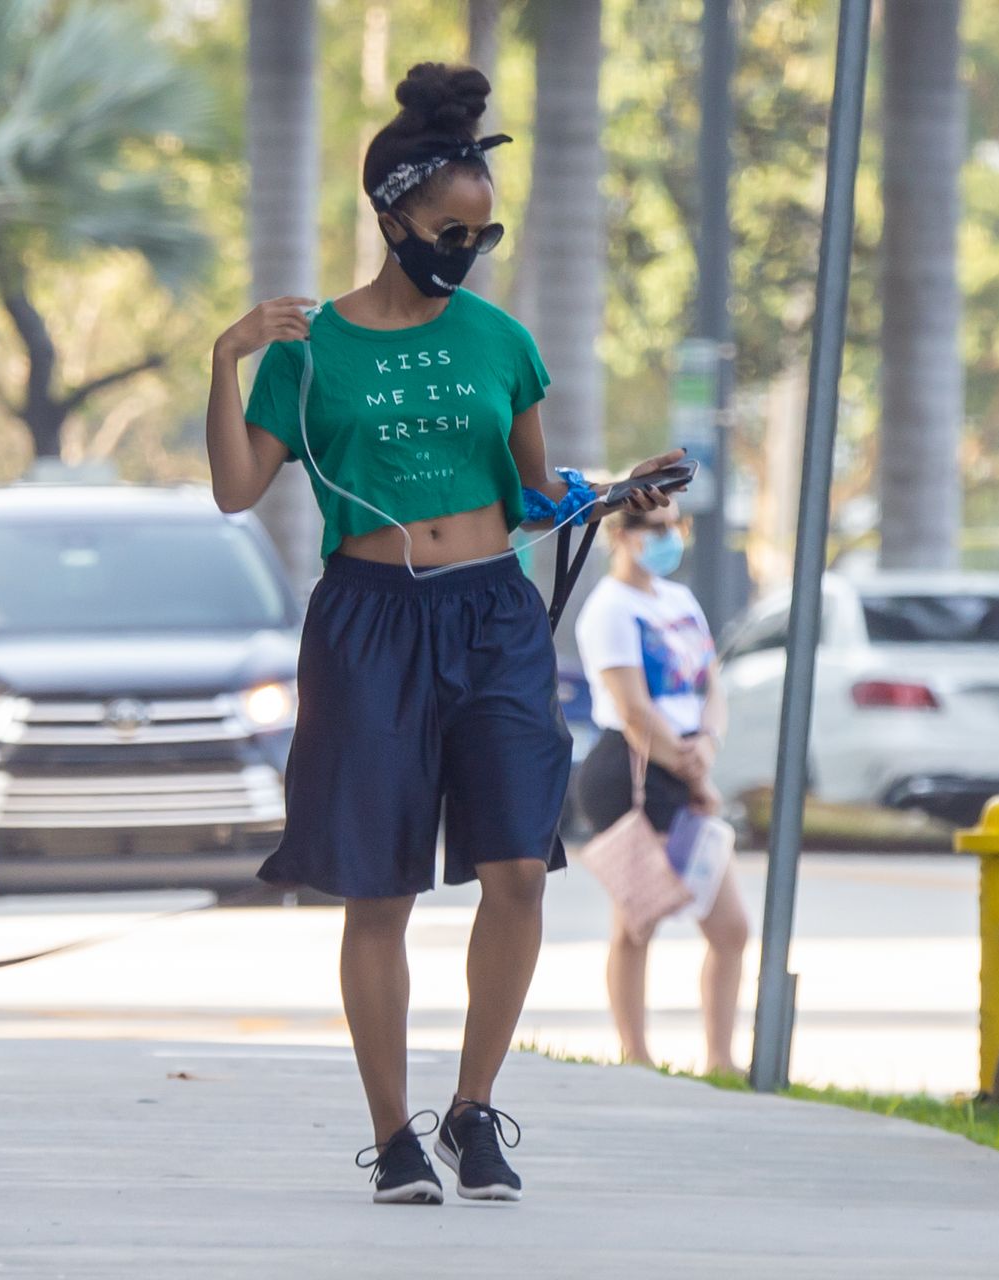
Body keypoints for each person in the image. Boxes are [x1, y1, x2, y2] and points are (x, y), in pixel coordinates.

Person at [205, 61, 680, 1206]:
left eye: (482, 231)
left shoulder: (502, 341)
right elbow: (233, 488)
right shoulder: (307, 347)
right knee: (381, 890)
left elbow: (530, 491)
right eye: (446, 228)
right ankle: (394, 1134)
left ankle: (474, 1109)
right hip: (369, 623)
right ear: (391, 218)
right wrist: (224, 357)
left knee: (519, 865)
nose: (464, 249)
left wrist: (610, 492)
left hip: (494, 615)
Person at [574, 499, 750, 1074]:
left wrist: (709, 747)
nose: (669, 536)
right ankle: (637, 1054)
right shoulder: (608, 609)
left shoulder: (679, 601)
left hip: (685, 764)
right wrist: (689, 768)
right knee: (637, 921)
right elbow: (633, 710)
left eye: (676, 525)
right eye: (654, 527)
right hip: (633, 773)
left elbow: (710, 685)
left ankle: (721, 1061)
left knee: (730, 928)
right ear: (621, 535)